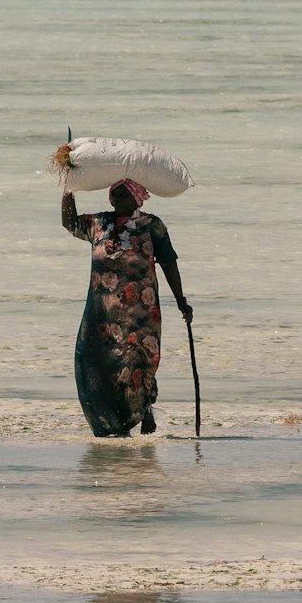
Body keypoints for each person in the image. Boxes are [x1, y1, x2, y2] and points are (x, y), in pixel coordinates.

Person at [62, 178, 192, 437]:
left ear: (138, 197)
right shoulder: (98, 224)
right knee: (101, 365)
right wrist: (69, 189)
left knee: (138, 360)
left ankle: (143, 411)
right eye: (114, 195)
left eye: (123, 195)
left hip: (141, 314)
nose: (116, 199)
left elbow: (168, 263)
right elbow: (69, 222)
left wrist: (181, 301)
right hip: (103, 317)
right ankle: (115, 423)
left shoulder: (152, 226)